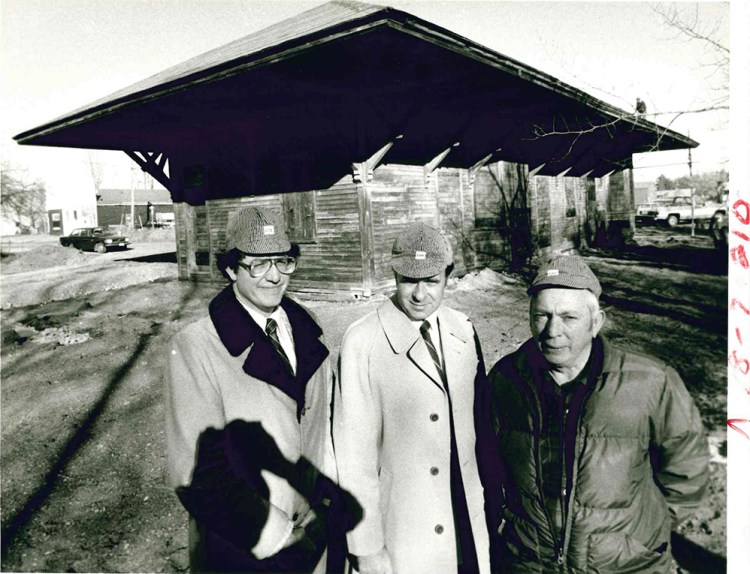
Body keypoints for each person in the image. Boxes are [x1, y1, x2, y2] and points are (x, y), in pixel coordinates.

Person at [488, 254, 710, 573]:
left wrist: (639, 538)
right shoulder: (505, 379)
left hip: (625, 566)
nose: (553, 331)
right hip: (530, 564)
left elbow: (687, 469)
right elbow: (490, 466)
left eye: (569, 317)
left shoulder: (651, 382)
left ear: (597, 322)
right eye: (542, 315)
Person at [164, 206, 338, 573]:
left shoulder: (309, 329)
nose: (274, 276)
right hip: (246, 547)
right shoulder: (196, 346)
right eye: (258, 263)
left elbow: (323, 429)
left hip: (316, 537)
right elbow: (196, 475)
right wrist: (277, 533)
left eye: (283, 260)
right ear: (230, 268)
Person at [333, 222, 499, 574]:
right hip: (404, 529)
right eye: (409, 281)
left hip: (465, 516)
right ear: (394, 275)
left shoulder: (464, 331)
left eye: (432, 281)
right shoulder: (362, 341)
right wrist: (365, 547)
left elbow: (481, 431)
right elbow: (354, 455)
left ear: (448, 277)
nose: (420, 294)